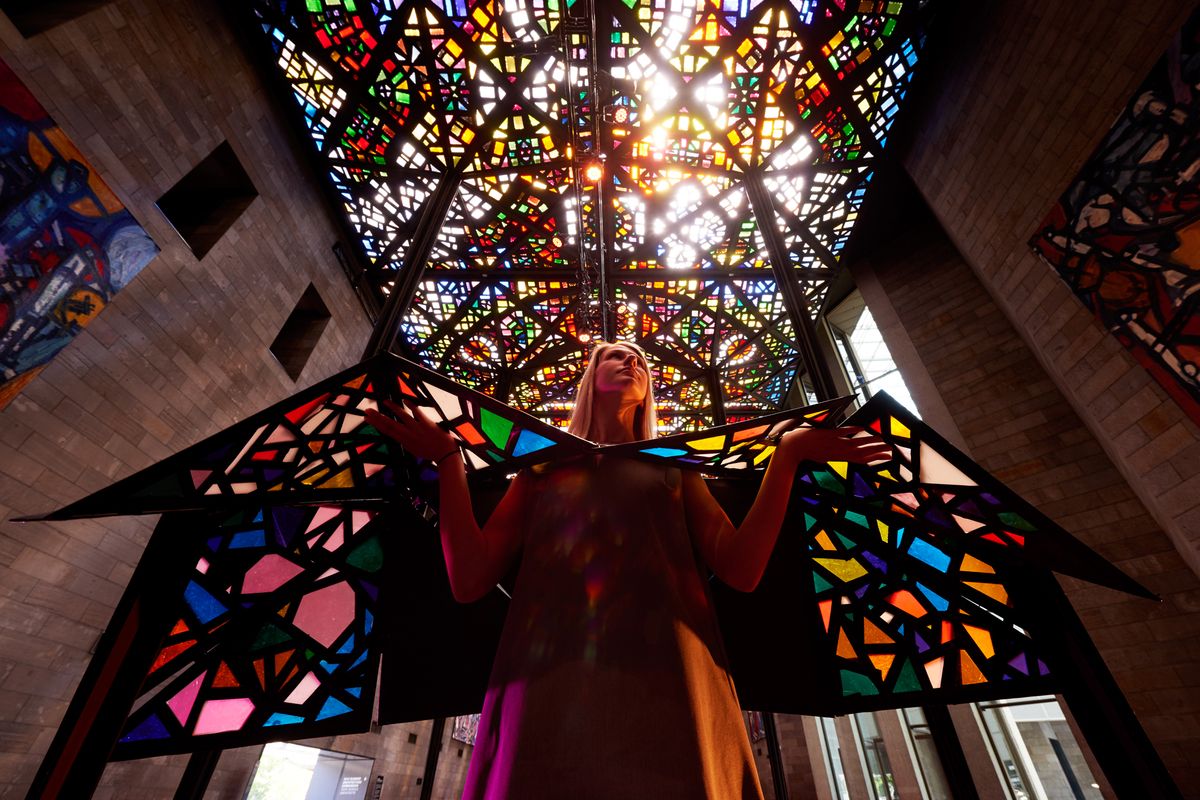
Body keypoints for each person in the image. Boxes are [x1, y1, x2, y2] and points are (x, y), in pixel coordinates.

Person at [365, 342, 889, 799]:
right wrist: (450, 464)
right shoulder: (542, 468)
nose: (631, 361)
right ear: (590, 380)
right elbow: (471, 578)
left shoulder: (674, 468)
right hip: (550, 679)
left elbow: (741, 568)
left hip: (671, 679)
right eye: (613, 355)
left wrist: (787, 458)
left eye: (639, 359)